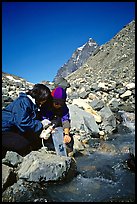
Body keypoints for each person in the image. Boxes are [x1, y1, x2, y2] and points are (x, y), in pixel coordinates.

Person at [2, 84, 53, 158]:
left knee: (33, 142)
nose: (45, 101)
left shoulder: (32, 104)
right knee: (23, 145)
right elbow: (22, 122)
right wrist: (41, 124)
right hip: (4, 129)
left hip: (12, 129)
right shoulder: (23, 102)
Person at [39, 86, 74, 157]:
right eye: (56, 103)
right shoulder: (45, 105)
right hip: (46, 123)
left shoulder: (63, 107)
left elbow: (65, 119)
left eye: (61, 104)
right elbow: (43, 118)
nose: (59, 106)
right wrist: (48, 127)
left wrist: (66, 134)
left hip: (56, 123)